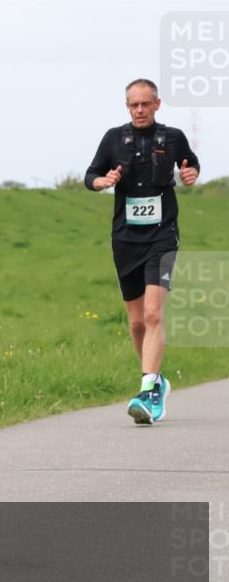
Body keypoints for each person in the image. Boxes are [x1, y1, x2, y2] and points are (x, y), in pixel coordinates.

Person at [85, 78, 199, 425]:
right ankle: (155, 380)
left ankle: (148, 393)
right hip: (125, 238)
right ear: (127, 107)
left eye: (145, 104)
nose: (139, 110)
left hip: (163, 236)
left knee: (152, 314)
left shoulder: (174, 137)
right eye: (134, 105)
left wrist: (190, 173)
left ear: (157, 104)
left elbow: (191, 164)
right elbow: (90, 174)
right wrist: (101, 182)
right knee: (136, 322)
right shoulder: (113, 139)